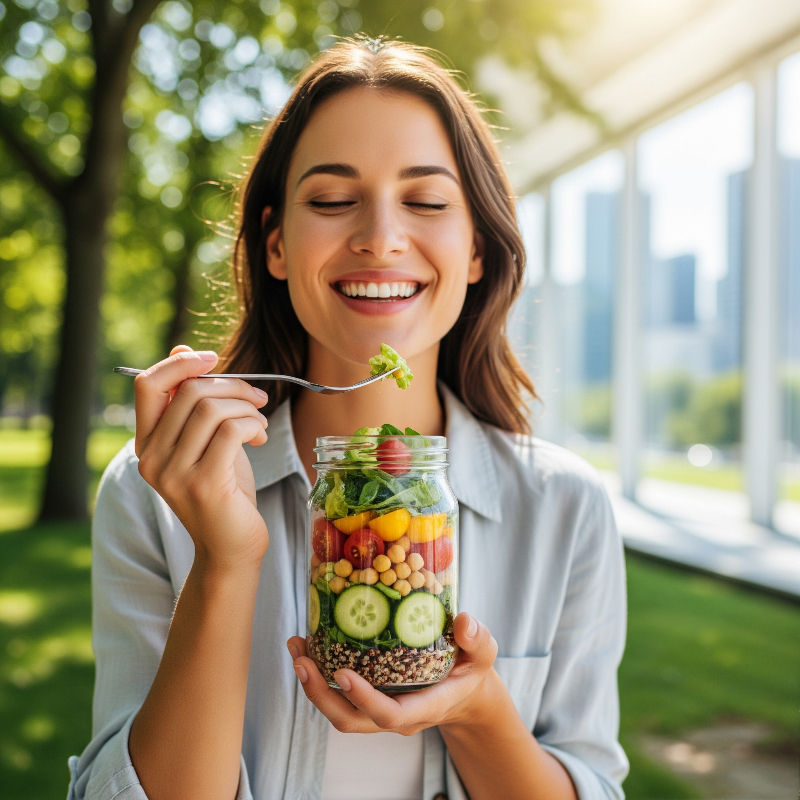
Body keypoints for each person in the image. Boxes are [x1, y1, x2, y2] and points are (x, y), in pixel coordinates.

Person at [67, 36, 628, 800]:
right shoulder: (155, 489)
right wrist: (224, 562)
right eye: (332, 201)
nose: (380, 237)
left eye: (426, 202)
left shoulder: (565, 505)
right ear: (276, 246)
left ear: (476, 249)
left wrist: (477, 711)